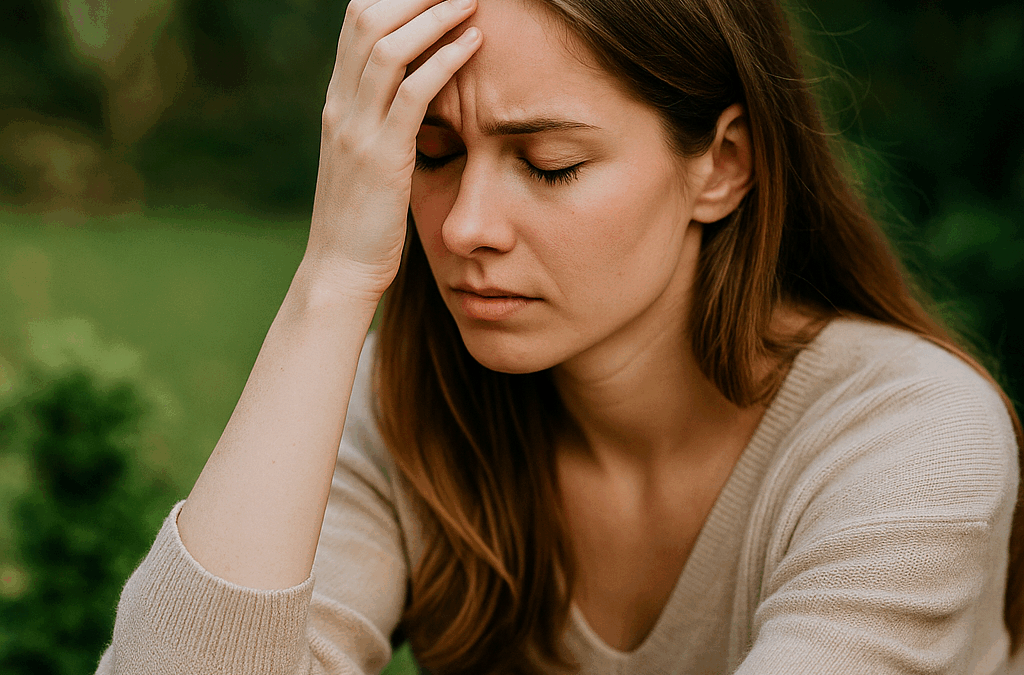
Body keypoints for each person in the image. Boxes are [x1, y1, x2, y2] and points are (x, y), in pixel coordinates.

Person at [96, 0, 1024, 672]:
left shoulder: (914, 442)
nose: (465, 227)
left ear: (722, 167)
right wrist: (332, 279)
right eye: (433, 154)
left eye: (550, 165)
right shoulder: (408, 402)